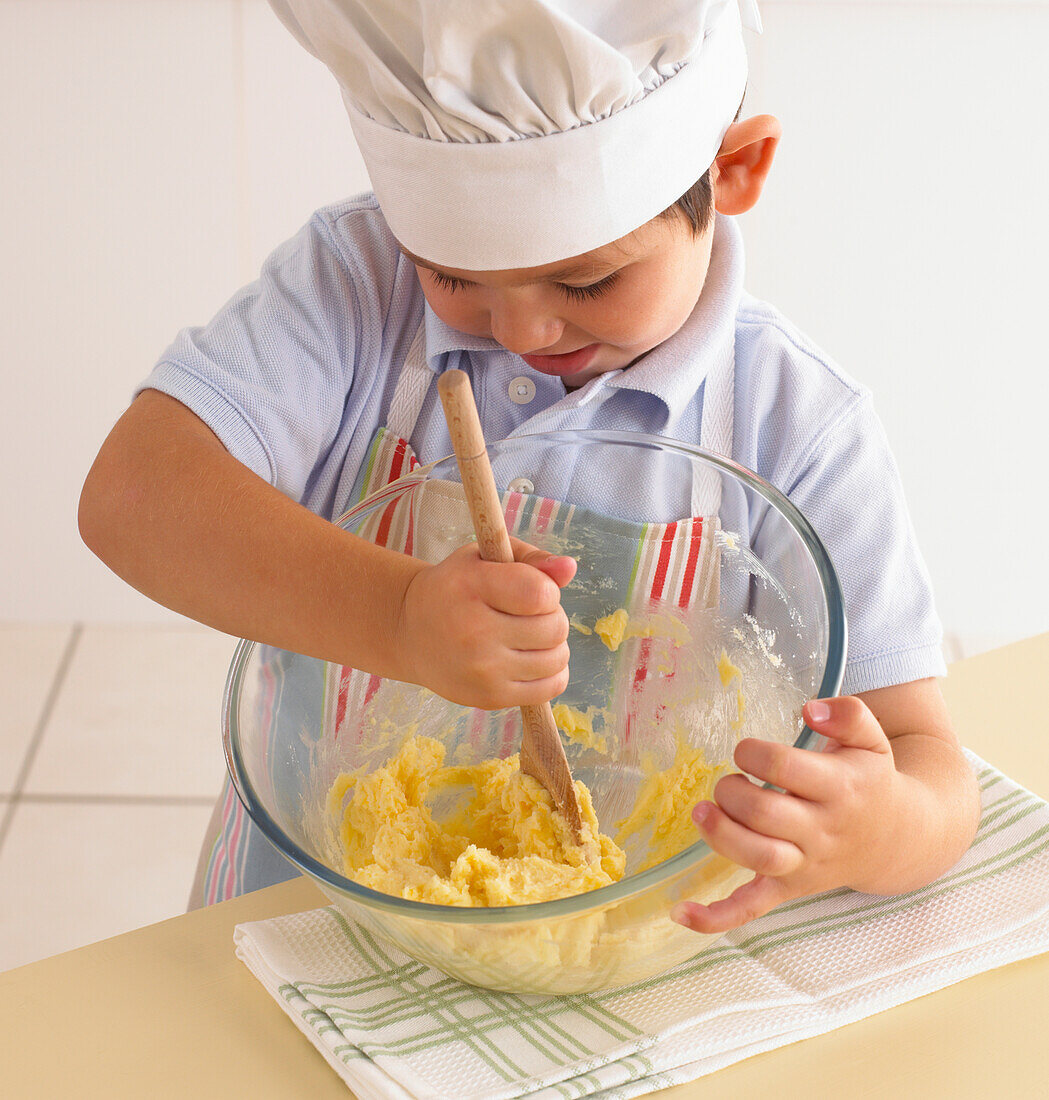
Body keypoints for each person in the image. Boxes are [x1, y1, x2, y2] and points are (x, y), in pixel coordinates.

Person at [78, 0, 979, 929]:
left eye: (587, 281)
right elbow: (132, 495)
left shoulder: (798, 425)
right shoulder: (357, 286)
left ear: (733, 169)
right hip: (304, 914)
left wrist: (874, 830)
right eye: (453, 275)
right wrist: (398, 619)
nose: (520, 331)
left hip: (626, 940)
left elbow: (932, 771)